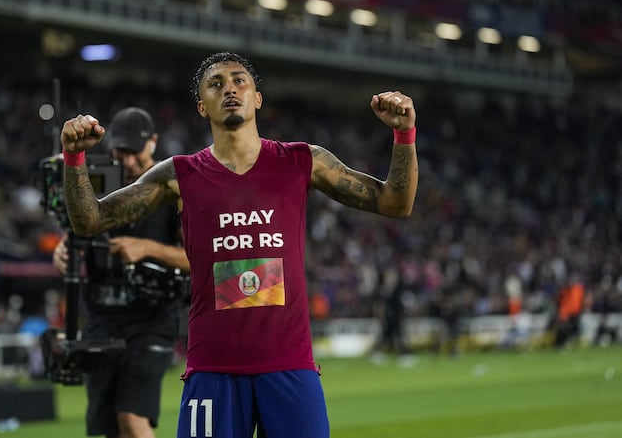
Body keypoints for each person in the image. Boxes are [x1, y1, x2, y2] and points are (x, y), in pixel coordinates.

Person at [59, 52, 418, 438]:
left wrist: (403, 135)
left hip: (290, 366)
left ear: (257, 98)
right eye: (216, 84)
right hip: (213, 370)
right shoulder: (178, 175)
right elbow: (90, 220)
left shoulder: (303, 161)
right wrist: (74, 157)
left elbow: (395, 203)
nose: (229, 88)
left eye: (239, 80)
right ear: (202, 106)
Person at [52, 107, 190, 438]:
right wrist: (64, 248)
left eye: (133, 151)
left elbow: (200, 257)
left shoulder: (173, 186)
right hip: (101, 317)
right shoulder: (99, 178)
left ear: (153, 143)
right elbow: (78, 228)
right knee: (108, 427)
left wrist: (148, 248)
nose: (126, 160)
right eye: (119, 151)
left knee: (131, 416)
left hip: (151, 319)